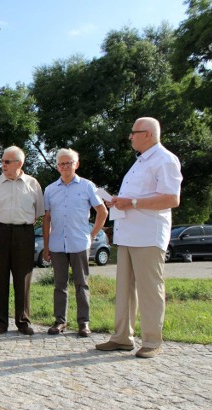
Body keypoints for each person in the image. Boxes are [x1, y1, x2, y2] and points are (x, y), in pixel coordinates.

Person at [96, 117, 182, 358]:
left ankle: (152, 341)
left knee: (149, 289)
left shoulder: (165, 160)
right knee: (124, 289)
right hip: (128, 233)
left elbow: (172, 199)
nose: (130, 136)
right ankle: (122, 337)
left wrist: (132, 202)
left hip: (148, 234)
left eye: (134, 132)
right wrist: (118, 201)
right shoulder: (141, 162)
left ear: (148, 134)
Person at [42, 148, 108, 337]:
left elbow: (102, 212)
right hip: (57, 245)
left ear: (76, 164)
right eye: (61, 163)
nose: (65, 166)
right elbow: (46, 219)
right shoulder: (50, 189)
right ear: (57, 167)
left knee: (82, 284)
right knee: (59, 285)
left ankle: (83, 323)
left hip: (79, 243)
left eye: (68, 163)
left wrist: (92, 235)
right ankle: (60, 321)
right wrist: (46, 246)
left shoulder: (87, 186)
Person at [0, 146, 44, 336]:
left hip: (24, 232)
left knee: (23, 277)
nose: (3, 165)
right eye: (2, 161)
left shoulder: (32, 184)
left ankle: (23, 321)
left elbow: (38, 213)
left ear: (19, 163)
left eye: (7, 162)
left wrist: (21, 226)